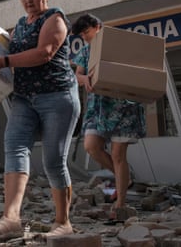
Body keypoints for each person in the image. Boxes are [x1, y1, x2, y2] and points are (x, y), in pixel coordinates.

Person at [0, 0, 80, 241]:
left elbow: (44, 52)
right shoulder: (20, 24)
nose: (28, 0)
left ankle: (63, 222)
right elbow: (4, 48)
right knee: (14, 147)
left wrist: (3, 62)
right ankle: (10, 219)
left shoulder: (55, 19)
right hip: (24, 98)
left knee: (53, 161)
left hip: (57, 97)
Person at [70, 13, 146, 217]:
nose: (84, 37)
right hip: (99, 107)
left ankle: (120, 204)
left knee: (118, 155)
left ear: (97, 26)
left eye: (86, 32)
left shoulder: (118, 43)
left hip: (123, 107)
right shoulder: (85, 51)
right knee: (91, 146)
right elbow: (77, 74)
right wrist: (83, 78)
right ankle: (124, 179)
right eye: (81, 35)